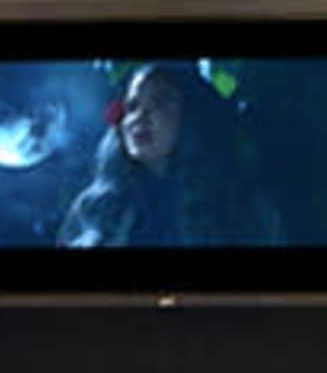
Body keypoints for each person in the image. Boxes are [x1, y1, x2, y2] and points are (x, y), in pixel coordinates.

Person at [60, 61, 274, 248]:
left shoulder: (238, 204)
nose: (139, 118)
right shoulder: (95, 207)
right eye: (132, 106)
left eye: (159, 102)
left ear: (191, 115)